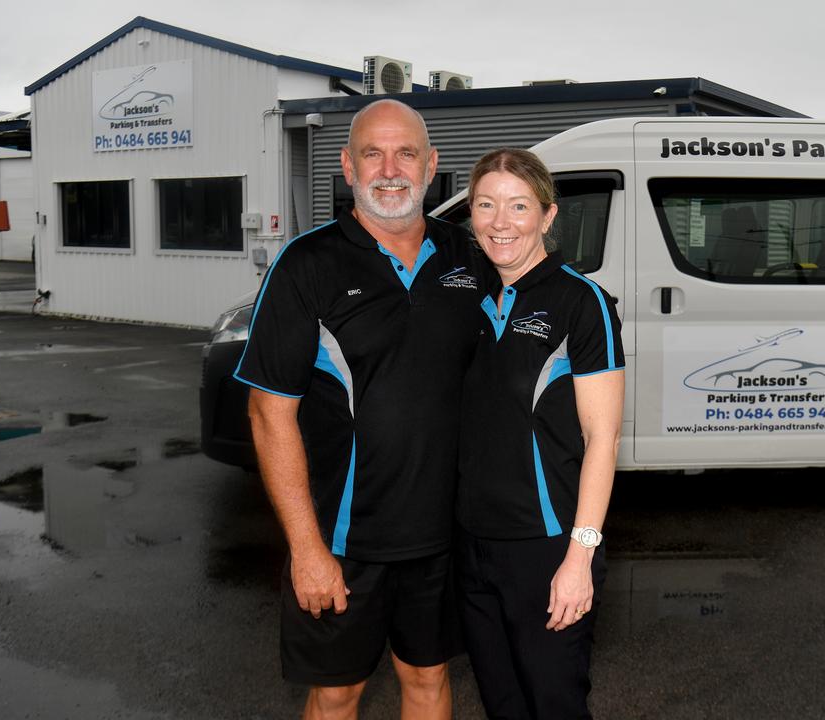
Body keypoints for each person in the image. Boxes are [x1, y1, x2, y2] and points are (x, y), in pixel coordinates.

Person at [236, 99, 493, 720]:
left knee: (429, 680)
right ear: (347, 167)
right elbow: (269, 414)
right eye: (372, 154)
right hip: (344, 537)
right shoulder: (308, 263)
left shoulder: (473, 258)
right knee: (337, 692)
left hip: (445, 534)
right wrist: (306, 548)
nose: (390, 169)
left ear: (431, 166)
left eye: (405, 152)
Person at [456, 148, 626, 719]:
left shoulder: (583, 302)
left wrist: (580, 559)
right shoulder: (469, 298)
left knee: (553, 705)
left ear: (548, 216)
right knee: (502, 705)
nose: (500, 222)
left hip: (547, 547)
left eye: (518, 206)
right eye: (486, 205)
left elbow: (603, 438)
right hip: (472, 546)